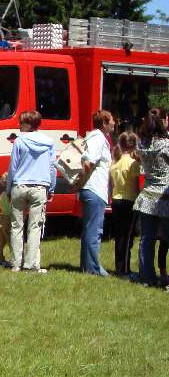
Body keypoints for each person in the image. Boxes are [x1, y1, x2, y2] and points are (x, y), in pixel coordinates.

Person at [6, 110, 56, 273]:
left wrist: (8, 188)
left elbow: (12, 168)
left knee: (16, 226)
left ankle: (15, 264)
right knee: (35, 227)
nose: (19, 125)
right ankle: (31, 264)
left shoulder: (19, 142)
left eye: (21, 122)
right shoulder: (49, 143)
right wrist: (52, 188)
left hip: (19, 186)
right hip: (40, 187)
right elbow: (51, 168)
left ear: (28, 124)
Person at [133, 109, 169, 287]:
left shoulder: (142, 144)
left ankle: (146, 277)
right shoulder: (165, 144)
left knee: (146, 239)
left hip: (146, 195)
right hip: (164, 197)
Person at [78, 110, 115, 276]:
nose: (115, 123)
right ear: (105, 123)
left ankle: (87, 266)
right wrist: (80, 183)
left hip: (91, 189)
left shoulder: (97, 138)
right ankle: (93, 268)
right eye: (112, 120)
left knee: (89, 229)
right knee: (94, 231)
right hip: (94, 189)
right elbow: (89, 162)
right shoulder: (98, 139)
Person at [109, 131, 140, 277]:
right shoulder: (133, 163)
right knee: (128, 237)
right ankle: (125, 270)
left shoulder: (115, 162)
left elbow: (112, 183)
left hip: (116, 200)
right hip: (129, 200)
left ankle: (118, 267)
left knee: (119, 235)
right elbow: (135, 186)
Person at [0, 172, 11, 267]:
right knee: (10, 239)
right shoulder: (11, 196)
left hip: (1, 218)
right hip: (8, 219)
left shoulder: (2, 195)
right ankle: (16, 258)